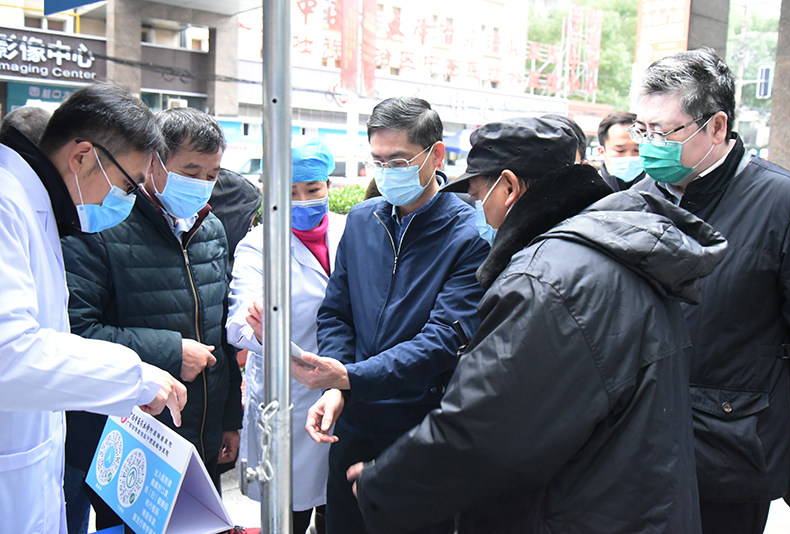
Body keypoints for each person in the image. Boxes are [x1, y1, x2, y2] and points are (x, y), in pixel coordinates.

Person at [346, 115, 728, 534]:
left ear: (508, 188)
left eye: (478, 195)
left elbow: (485, 427)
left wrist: (384, 486)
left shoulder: (545, 280)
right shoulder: (615, 248)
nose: (478, 210)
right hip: (636, 504)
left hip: (578, 512)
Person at [294, 96, 490, 534]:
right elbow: (337, 313)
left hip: (420, 428)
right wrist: (339, 385)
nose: (386, 172)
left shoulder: (469, 233)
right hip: (353, 421)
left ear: (435, 155)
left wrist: (349, 377)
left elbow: (442, 340)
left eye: (398, 161)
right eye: (378, 161)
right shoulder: (363, 220)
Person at [0, 81, 186, 534]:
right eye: (127, 185)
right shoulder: (6, 203)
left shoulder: (37, 205)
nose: (126, 200)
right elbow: (10, 356)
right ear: (82, 156)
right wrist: (134, 378)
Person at [630, 47, 790, 534]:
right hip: (638, 449)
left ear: (717, 127)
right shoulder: (637, 198)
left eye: (663, 132)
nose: (649, 145)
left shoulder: (784, 204)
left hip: (732, 450)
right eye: (642, 130)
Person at [61, 107, 241, 531]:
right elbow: (75, 330)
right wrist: (171, 351)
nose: (201, 183)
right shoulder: (102, 224)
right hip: (129, 441)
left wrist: (229, 420)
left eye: (212, 174)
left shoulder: (210, 229)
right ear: (153, 163)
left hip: (199, 438)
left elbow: (220, 333)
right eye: (190, 170)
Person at [228, 137, 344, 534]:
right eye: (290, 192)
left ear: (329, 186)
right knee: (287, 514)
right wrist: (262, 330)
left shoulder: (350, 231)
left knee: (339, 508)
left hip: (344, 390)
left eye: (312, 189)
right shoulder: (259, 245)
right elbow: (239, 321)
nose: (303, 201)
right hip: (288, 397)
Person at [596, 110, 645, 191]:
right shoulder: (590, 190)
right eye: (620, 150)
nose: (629, 157)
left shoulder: (660, 190)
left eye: (637, 150)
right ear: (601, 151)